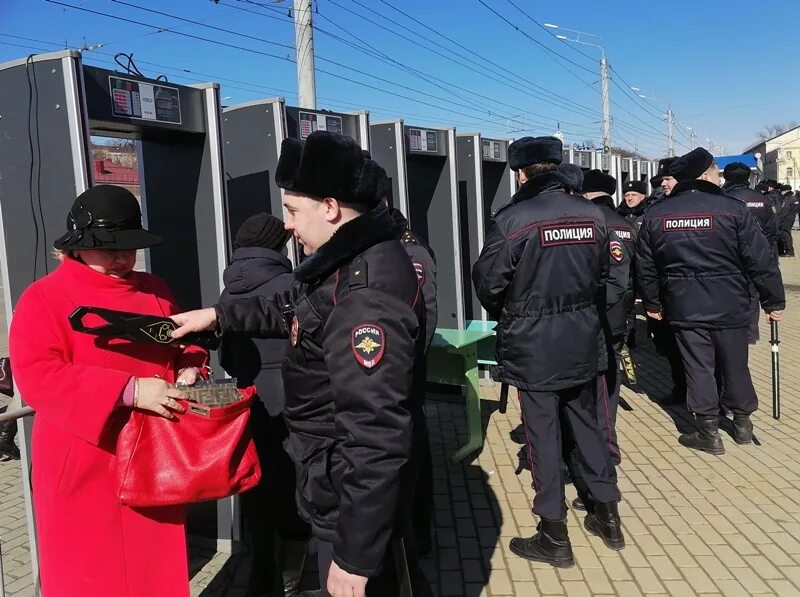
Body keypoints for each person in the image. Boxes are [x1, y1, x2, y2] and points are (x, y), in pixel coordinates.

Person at [171, 131, 427, 597]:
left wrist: (355, 556)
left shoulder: (365, 295)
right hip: (333, 479)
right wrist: (219, 315)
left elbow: (376, 434)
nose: (287, 225)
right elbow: (295, 310)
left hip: (346, 494)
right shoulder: (345, 263)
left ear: (329, 207)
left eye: (292, 210)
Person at [8, 185, 207, 597]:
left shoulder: (155, 288)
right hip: (83, 460)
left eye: (130, 247)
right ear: (78, 246)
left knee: (154, 573)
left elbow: (184, 340)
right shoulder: (43, 298)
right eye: (109, 248)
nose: (122, 257)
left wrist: (190, 365)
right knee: (89, 575)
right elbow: (37, 374)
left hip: (155, 456)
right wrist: (130, 390)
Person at [473, 137, 623, 569]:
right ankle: (607, 516)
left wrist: (518, 308)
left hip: (534, 345)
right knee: (591, 427)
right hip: (583, 339)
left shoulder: (512, 218)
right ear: (556, 167)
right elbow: (612, 275)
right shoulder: (595, 215)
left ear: (521, 173)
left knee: (542, 437)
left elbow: (488, 285)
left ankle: (553, 534)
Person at [635, 148, 785, 454]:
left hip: (683, 305)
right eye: (716, 170)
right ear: (704, 175)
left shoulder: (657, 213)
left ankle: (708, 430)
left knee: (698, 366)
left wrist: (652, 303)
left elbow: (645, 266)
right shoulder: (732, 209)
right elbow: (760, 260)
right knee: (735, 364)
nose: (719, 175)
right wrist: (773, 302)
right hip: (730, 302)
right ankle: (742, 424)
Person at [219, 212, 310, 597]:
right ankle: (291, 578)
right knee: (294, 485)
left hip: (246, 402)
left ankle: (261, 573)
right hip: (292, 401)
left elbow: (226, 355)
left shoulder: (227, 292)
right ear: (279, 245)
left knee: (254, 485)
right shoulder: (294, 284)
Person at [581, 170, 636, 470]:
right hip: (617, 316)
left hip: (590, 316)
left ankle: (596, 444)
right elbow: (635, 274)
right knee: (608, 383)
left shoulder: (590, 223)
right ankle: (605, 437)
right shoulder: (626, 225)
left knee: (589, 383)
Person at [722, 162, 779, 344]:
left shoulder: (725, 198)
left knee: (732, 293)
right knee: (753, 293)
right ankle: (750, 333)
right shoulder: (763, 199)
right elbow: (772, 230)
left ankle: (733, 332)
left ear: (727, 178)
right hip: (757, 255)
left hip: (731, 257)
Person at [777, 184, 798, 256]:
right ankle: (789, 251)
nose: (781, 192)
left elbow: (784, 212)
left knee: (786, 236)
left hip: (786, 220)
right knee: (787, 235)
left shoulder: (788, 199)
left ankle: (789, 252)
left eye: (782, 191)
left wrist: (779, 221)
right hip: (790, 219)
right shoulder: (793, 198)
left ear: (786, 191)